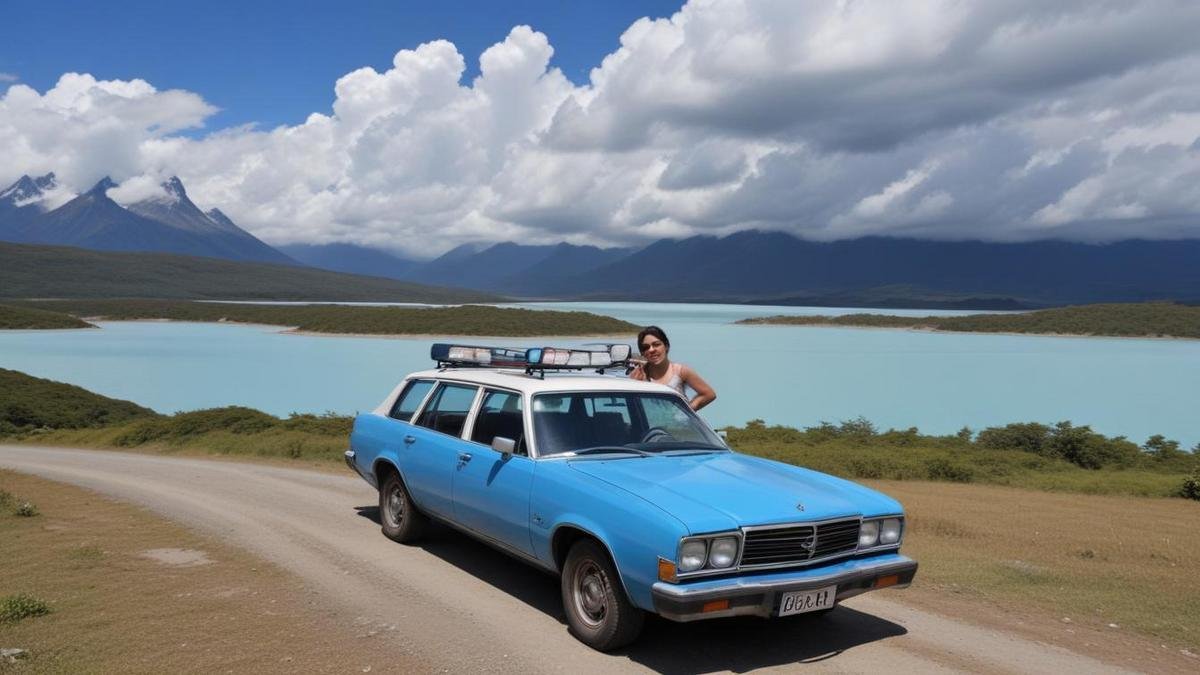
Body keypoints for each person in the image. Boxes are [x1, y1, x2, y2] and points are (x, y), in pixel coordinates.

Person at [628, 325, 716, 411]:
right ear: (642, 353)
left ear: (666, 346)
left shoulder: (681, 371)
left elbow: (708, 394)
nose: (651, 350)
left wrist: (686, 412)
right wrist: (635, 384)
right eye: (646, 347)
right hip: (648, 426)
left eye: (656, 344)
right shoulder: (637, 375)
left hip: (679, 426)